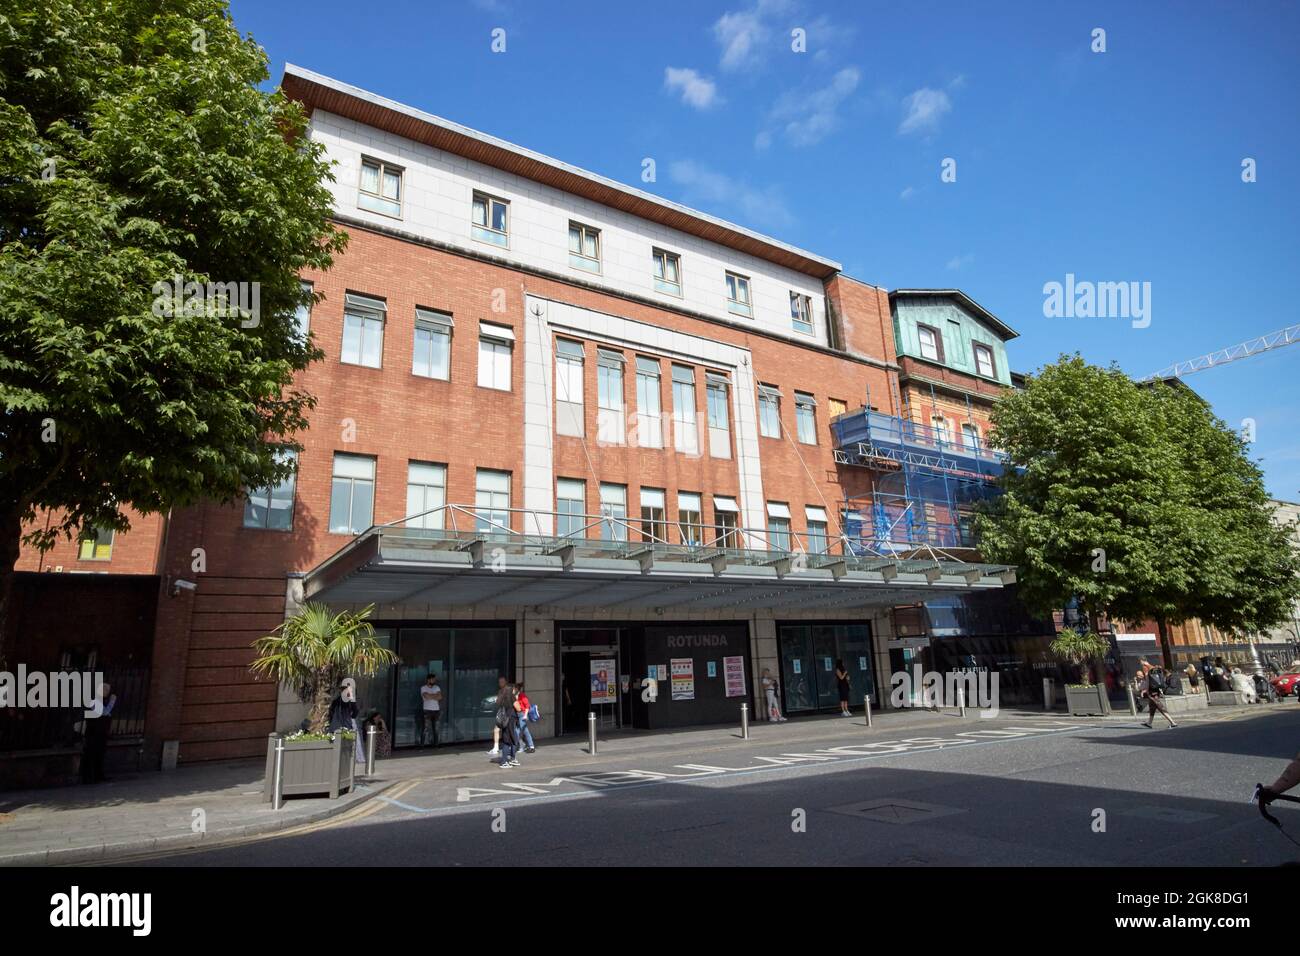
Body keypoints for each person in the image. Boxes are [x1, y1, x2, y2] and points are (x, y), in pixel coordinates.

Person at [80, 683, 116, 784]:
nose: (107, 692)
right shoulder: (94, 701)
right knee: (91, 754)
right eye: (105, 689)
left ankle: (98, 775)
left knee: (100, 755)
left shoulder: (103, 702)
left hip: (101, 734)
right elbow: (104, 712)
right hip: (93, 734)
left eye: (108, 690)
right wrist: (112, 701)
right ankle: (87, 777)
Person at [1138, 663, 1176, 729]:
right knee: (1152, 708)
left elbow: (1147, 684)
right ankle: (1149, 723)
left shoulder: (1148, 674)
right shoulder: (1154, 672)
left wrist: (1145, 691)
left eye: (1143, 667)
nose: (1143, 669)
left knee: (1160, 708)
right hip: (1156, 692)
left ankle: (1173, 723)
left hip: (1152, 693)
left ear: (1145, 668)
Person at [496, 682, 522, 768]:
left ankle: (512, 759)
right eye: (514, 689)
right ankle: (505, 761)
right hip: (510, 721)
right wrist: (517, 699)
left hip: (505, 722)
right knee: (509, 741)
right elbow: (518, 708)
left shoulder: (503, 698)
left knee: (509, 740)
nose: (514, 690)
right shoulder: (511, 697)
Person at [487, 675, 508, 757]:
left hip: (506, 713)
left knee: (507, 731)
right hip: (502, 713)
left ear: (506, 682)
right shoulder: (501, 691)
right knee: (497, 730)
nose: (500, 683)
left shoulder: (507, 691)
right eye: (499, 682)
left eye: (502, 682)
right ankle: (496, 748)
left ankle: (518, 744)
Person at [420, 673, 442, 746]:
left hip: (436, 710)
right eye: (433, 679)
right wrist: (435, 696)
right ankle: (422, 745)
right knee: (425, 728)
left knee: (436, 729)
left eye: (434, 679)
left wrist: (430, 696)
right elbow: (426, 696)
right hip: (427, 710)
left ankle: (436, 745)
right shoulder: (423, 688)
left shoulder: (437, 687)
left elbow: (440, 697)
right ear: (428, 680)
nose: (434, 680)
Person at [516, 680, 536, 754]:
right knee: (525, 731)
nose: (513, 690)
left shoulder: (522, 696)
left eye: (514, 689)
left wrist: (525, 715)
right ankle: (530, 746)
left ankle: (515, 746)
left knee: (517, 731)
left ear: (517, 689)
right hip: (517, 715)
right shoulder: (515, 696)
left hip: (522, 715)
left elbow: (527, 706)